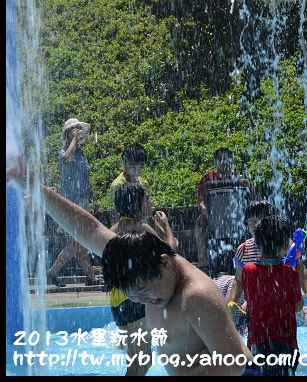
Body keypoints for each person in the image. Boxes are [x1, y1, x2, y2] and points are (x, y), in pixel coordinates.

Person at [7, 158, 254, 376]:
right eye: (132, 294)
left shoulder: (196, 296)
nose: (140, 300)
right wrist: (35, 188)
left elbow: (234, 363)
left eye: (144, 291)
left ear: (165, 264)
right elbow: (89, 229)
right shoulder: (139, 259)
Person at [109, 183, 177, 376]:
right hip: (136, 298)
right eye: (147, 198)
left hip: (117, 302)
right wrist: (166, 228)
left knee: (136, 359)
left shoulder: (113, 229)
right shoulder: (142, 228)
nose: (151, 201)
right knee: (141, 362)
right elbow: (171, 252)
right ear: (137, 204)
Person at [242, 215, 304, 377]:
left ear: (256, 243)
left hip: (257, 344)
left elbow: (250, 301)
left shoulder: (248, 271)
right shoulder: (289, 273)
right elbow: (298, 306)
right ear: (286, 246)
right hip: (286, 343)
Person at [227, 200, 307, 311]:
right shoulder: (244, 249)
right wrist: (231, 300)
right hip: (258, 304)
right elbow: (238, 280)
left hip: (285, 299)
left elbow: (301, 268)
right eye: (251, 220)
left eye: (259, 219)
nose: (255, 224)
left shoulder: (286, 245)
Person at [47, 118, 97, 287]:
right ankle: (53, 271)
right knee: (78, 241)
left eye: (78, 129)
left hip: (82, 201)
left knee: (80, 241)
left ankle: (90, 277)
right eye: (74, 129)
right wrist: (74, 140)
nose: (77, 131)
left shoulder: (81, 154)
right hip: (70, 202)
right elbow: (67, 158)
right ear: (68, 133)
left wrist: (93, 196)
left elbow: (85, 176)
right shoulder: (63, 152)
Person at [196, 148, 251, 274]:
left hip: (237, 219)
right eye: (220, 159)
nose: (224, 162)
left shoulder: (241, 178)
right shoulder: (208, 179)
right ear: (215, 162)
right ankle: (203, 264)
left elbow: (251, 199)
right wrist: (205, 213)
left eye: (227, 159)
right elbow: (201, 201)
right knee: (199, 224)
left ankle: (253, 257)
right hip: (214, 218)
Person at [109, 144, 153, 211]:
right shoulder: (118, 185)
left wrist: (149, 205)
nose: (136, 170)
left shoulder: (144, 183)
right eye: (132, 165)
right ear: (123, 162)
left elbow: (148, 211)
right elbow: (115, 212)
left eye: (141, 166)